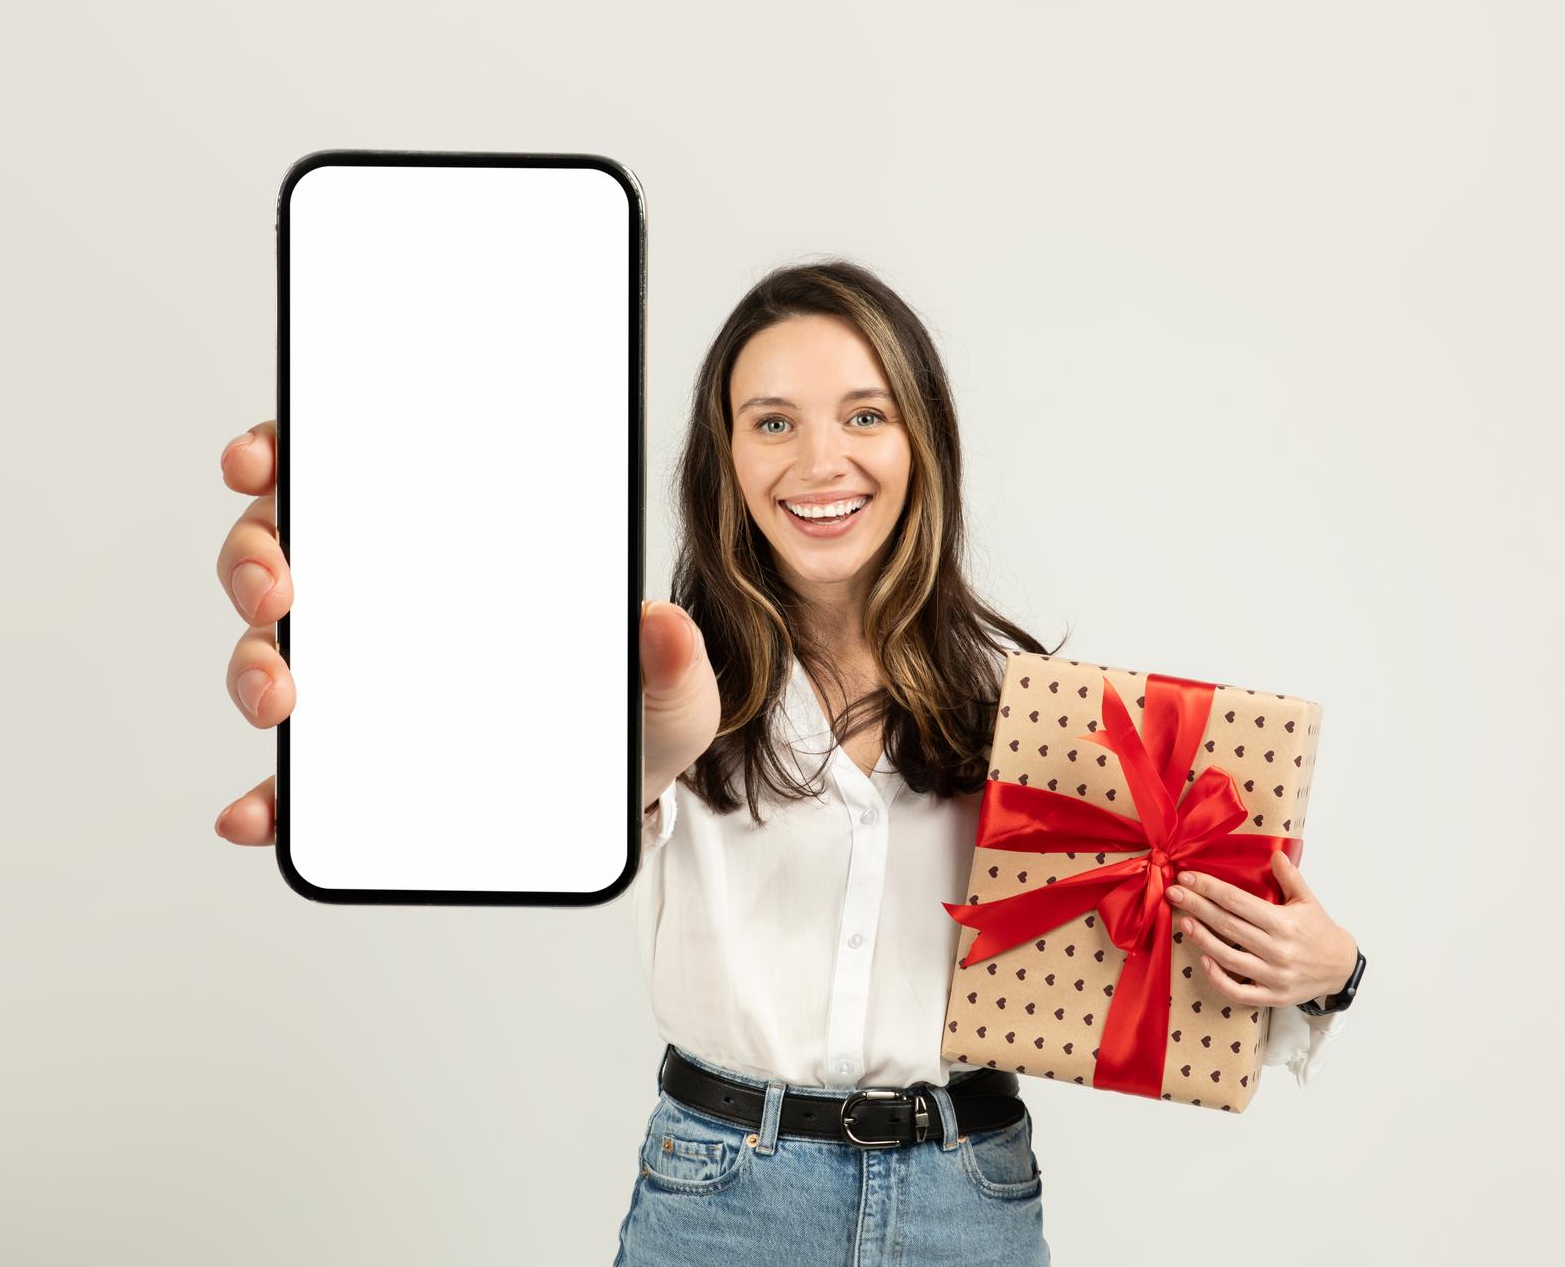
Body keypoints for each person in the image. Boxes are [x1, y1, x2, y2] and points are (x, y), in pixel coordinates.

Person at [213, 259, 1361, 1265]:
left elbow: (1158, 991)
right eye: (773, 421)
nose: (822, 459)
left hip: (970, 1198)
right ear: (724, 458)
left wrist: (1327, 969)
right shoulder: (659, 676)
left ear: (924, 440)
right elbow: (520, 789)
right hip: (723, 1196)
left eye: (865, 413)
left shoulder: (1043, 723)